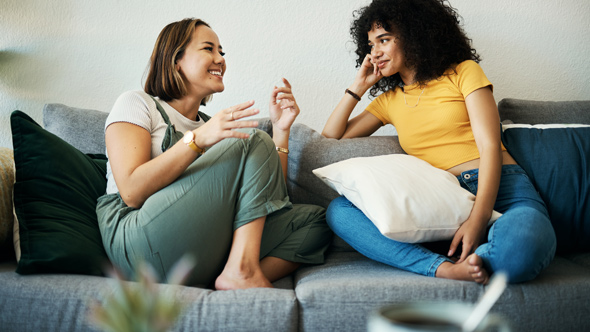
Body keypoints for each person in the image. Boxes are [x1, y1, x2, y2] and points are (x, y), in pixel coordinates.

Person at [321, 0, 556, 284]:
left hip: (503, 190)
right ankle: (444, 268)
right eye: (370, 45)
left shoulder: (463, 73)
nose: (375, 53)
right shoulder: (390, 101)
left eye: (383, 40)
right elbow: (331, 138)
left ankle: (481, 256)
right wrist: (359, 86)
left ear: (414, 33)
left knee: (524, 243)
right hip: (442, 202)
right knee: (340, 212)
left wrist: (477, 220)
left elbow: (490, 147)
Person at [96, 18, 331, 290]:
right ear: (176, 61)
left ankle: (233, 273)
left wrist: (280, 131)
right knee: (252, 139)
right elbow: (131, 191)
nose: (220, 59)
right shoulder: (137, 104)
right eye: (209, 49)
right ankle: (241, 270)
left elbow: (267, 197)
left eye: (222, 52)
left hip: (199, 244)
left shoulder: (212, 125)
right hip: (138, 240)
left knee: (317, 221)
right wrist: (199, 139)